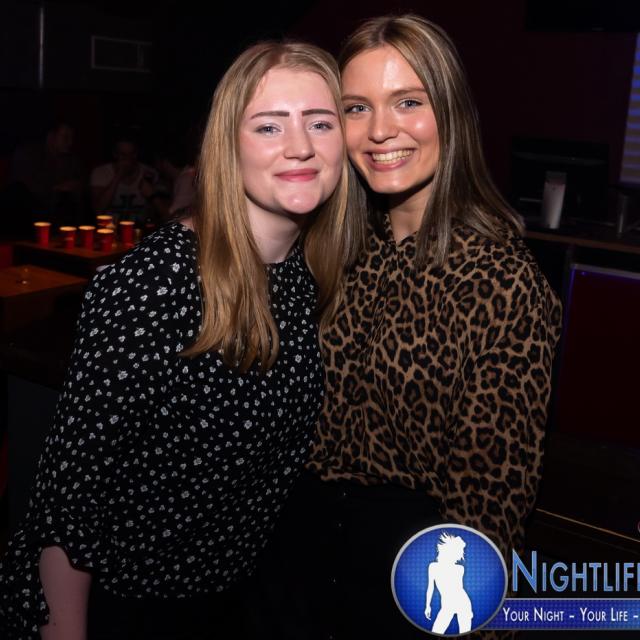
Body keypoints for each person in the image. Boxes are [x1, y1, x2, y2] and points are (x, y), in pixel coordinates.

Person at [0, 39, 349, 640]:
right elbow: (69, 501)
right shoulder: (157, 281)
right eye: (269, 125)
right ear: (227, 146)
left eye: (320, 122)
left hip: (237, 598)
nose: (300, 146)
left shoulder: (304, 275)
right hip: (133, 608)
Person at [254, 14, 563, 640]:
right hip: (288, 566)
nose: (380, 130)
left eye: (408, 102)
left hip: (404, 582)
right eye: (357, 108)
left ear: (450, 113)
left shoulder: (501, 282)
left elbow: (488, 498)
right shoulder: (330, 248)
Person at [9, 120, 85, 227]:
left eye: (72, 138)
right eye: (66, 137)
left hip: (57, 214)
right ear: (51, 136)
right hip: (29, 212)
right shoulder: (28, 154)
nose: (70, 142)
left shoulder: (71, 161)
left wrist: (74, 187)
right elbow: (23, 188)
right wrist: (57, 188)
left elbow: (78, 185)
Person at [90, 133, 165, 221]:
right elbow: (98, 210)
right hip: (109, 226)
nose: (128, 158)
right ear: (115, 154)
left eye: (131, 154)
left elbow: (159, 211)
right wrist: (118, 176)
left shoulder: (149, 173)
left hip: (140, 226)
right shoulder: (101, 173)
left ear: (136, 154)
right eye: (123, 154)